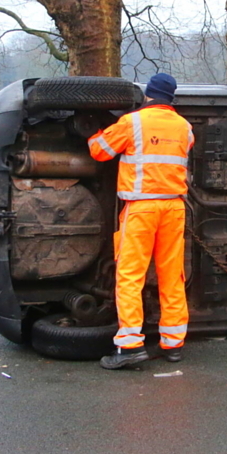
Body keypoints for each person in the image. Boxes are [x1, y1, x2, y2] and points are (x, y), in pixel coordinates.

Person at [88, 73, 194, 370]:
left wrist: (97, 132)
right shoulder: (185, 128)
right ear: (171, 99)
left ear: (148, 95)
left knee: (130, 276)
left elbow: (99, 151)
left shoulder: (132, 122)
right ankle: (173, 344)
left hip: (141, 208)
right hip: (174, 208)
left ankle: (131, 345)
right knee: (172, 275)